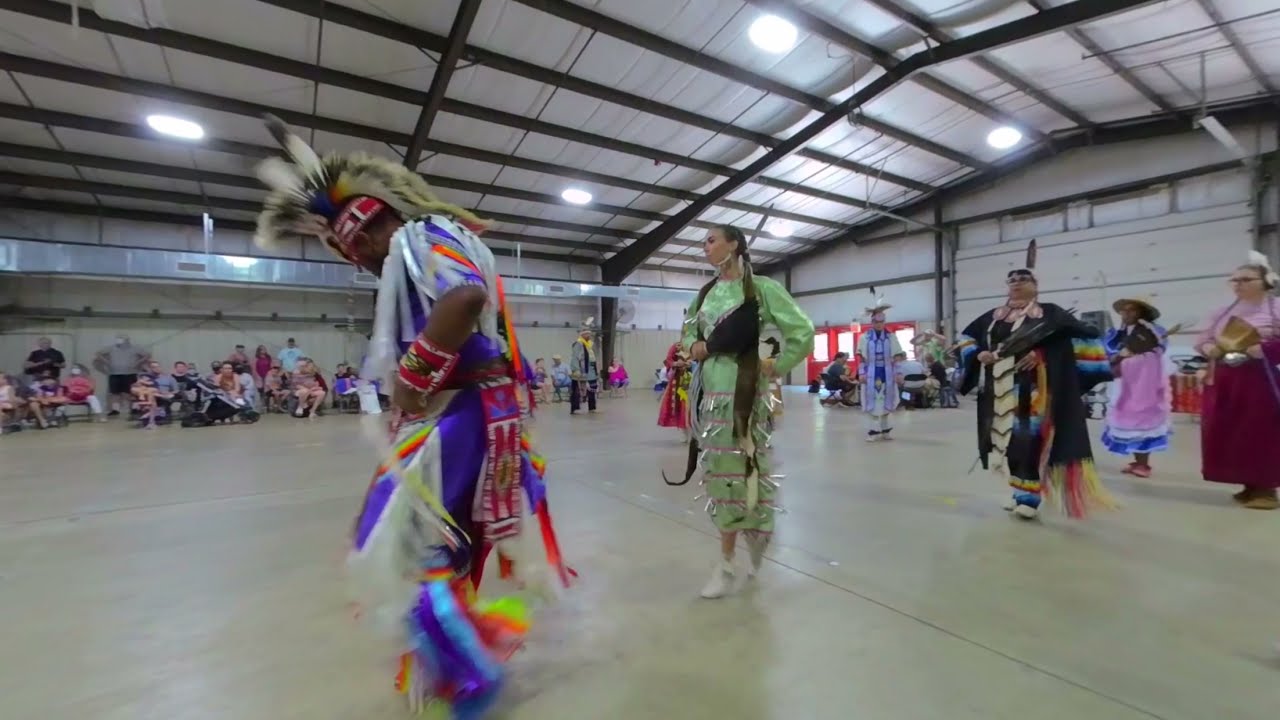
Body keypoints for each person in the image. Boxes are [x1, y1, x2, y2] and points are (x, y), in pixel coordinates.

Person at [253, 116, 571, 714]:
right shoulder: (411, 246)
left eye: (355, 252)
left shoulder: (422, 236)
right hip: (461, 406)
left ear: (369, 231)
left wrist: (410, 377)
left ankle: (467, 670)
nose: (360, 265)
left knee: (412, 539)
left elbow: (465, 298)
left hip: (467, 408)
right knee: (429, 538)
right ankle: (452, 657)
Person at [672, 224, 813, 599]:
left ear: (733, 244)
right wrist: (695, 346)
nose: (705, 247)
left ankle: (758, 535)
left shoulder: (763, 289)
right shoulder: (704, 294)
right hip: (712, 396)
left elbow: (801, 330)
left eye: (711, 240)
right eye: (704, 242)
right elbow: (686, 334)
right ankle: (725, 561)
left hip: (748, 395)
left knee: (752, 471)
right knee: (720, 475)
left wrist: (776, 363)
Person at [954, 240, 1114, 521]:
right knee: (1004, 442)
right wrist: (979, 354)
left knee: (1028, 441)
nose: (1016, 283)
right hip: (997, 391)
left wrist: (1043, 355)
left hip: (1034, 390)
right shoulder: (994, 317)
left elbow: (1083, 336)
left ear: (1035, 285)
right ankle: (1018, 492)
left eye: (1023, 278)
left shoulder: (1050, 313)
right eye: (1011, 279)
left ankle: (1031, 496)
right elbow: (966, 338)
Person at [1195, 251, 1280, 510]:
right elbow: (1203, 340)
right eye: (1235, 280)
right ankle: (1247, 483)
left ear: (1266, 281)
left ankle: (1266, 488)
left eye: (1246, 279)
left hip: (1261, 380)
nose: (1239, 284)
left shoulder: (1276, 308)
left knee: (1260, 430)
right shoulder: (1221, 312)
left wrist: (1266, 350)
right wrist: (1210, 350)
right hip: (1226, 379)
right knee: (1231, 430)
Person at [1101, 297, 1172, 478]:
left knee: (1141, 421)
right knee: (1126, 421)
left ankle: (1144, 465)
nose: (1127, 314)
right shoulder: (1121, 333)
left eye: (1132, 310)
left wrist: (1129, 359)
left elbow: (1155, 353)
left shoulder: (1151, 332)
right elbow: (1110, 351)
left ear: (1141, 313)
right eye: (1124, 310)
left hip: (1143, 385)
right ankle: (1137, 461)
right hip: (1124, 385)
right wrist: (1118, 358)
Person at [857, 297, 904, 440]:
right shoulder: (864, 338)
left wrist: (899, 373)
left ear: (884, 322)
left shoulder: (891, 337)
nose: (879, 324)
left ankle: (885, 431)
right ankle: (873, 431)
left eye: (881, 321)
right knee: (872, 402)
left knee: (886, 401)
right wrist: (861, 373)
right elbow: (861, 357)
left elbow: (897, 357)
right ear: (872, 322)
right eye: (876, 322)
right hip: (871, 373)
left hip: (888, 373)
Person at [94, 335, 149, 417]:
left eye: (121, 339)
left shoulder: (135, 348)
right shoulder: (111, 348)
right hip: (114, 373)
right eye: (118, 339)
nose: (119, 340)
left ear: (127, 340)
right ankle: (115, 410)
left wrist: (138, 363)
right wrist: (107, 362)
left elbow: (147, 355)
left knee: (132, 392)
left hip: (130, 373)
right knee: (114, 392)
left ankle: (134, 408)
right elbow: (98, 353)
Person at [657, 341, 691, 439]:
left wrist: (692, 363)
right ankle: (685, 432)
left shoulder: (698, 344)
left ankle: (695, 433)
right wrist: (676, 363)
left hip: (695, 378)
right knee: (681, 405)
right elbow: (668, 360)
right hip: (680, 381)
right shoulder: (677, 345)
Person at [568, 320, 599, 414]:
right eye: (587, 334)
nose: (589, 335)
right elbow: (575, 357)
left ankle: (592, 407)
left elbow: (592, 356)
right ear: (583, 335)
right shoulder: (578, 344)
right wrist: (576, 369)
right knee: (576, 388)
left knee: (592, 387)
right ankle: (575, 408)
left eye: (589, 334)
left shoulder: (590, 344)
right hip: (581, 368)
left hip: (591, 368)